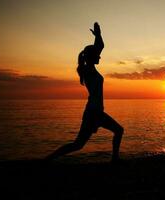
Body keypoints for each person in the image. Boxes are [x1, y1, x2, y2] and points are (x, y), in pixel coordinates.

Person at [46, 22, 124, 163]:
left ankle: (115, 159)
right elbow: (99, 48)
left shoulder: (89, 69)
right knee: (79, 144)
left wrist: (98, 36)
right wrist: (98, 37)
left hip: (95, 111)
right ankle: (49, 159)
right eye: (97, 56)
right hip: (94, 112)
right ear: (91, 56)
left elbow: (99, 48)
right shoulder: (88, 70)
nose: (100, 57)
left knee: (79, 144)